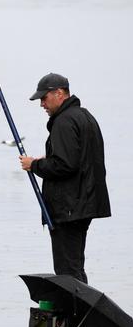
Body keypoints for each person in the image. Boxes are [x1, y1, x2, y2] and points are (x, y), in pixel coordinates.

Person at [19, 73, 111, 284]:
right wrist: (49, 160)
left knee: (67, 272)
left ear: (59, 93)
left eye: (44, 98)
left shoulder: (63, 121)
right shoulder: (85, 117)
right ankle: (82, 314)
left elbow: (65, 165)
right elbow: (80, 159)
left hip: (69, 209)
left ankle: (74, 315)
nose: (42, 104)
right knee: (75, 267)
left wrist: (34, 165)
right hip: (84, 204)